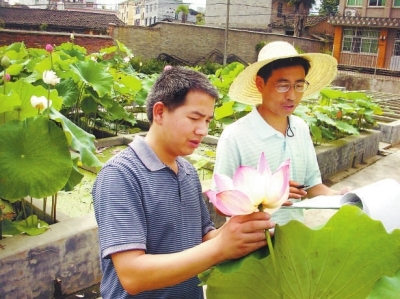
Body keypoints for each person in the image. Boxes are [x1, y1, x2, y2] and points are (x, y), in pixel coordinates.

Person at [92, 66, 275, 299]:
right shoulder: (120, 175)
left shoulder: (187, 171)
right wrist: (220, 248)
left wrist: (242, 229)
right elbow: (132, 275)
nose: (202, 130)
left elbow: (203, 238)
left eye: (208, 120)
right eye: (194, 118)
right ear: (159, 112)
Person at [213, 41, 347, 225]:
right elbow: (219, 206)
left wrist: (339, 196)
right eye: (283, 85)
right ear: (260, 84)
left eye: (299, 85)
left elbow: (312, 186)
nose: (292, 96)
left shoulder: (300, 128)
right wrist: (272, 195)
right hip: (251, 243)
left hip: (294, 240)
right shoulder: (234, 136)